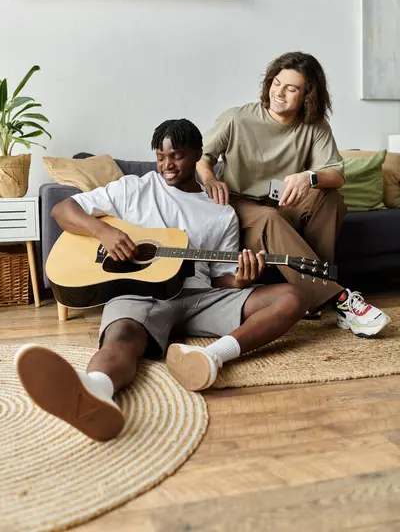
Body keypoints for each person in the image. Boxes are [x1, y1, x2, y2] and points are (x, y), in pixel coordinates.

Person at [15, 119, 305, 442]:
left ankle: (213, 357)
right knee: (122, 337)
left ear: (198, 155)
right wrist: (104, 231)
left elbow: (220, 279)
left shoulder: (221, 214)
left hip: (198, 296)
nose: (167, 164)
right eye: (160, 156)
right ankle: (95, 391)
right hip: (140, 294)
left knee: (290, 298)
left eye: (177, 156)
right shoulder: (133, 189)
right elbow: (62, 210)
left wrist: (239, 280)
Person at [196, 52, 390, 338]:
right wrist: (210, 179)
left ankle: (311, 297)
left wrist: (309, 177)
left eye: (291, 88)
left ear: (307, 95)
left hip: (283, 202)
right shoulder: (237, 118)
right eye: (277, 83)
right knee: (269, 217)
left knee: (330, 197)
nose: (279, 93)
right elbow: (202, 157)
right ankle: (340, 300)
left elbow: (336, 175)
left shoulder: (315, 126)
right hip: (239, 204)